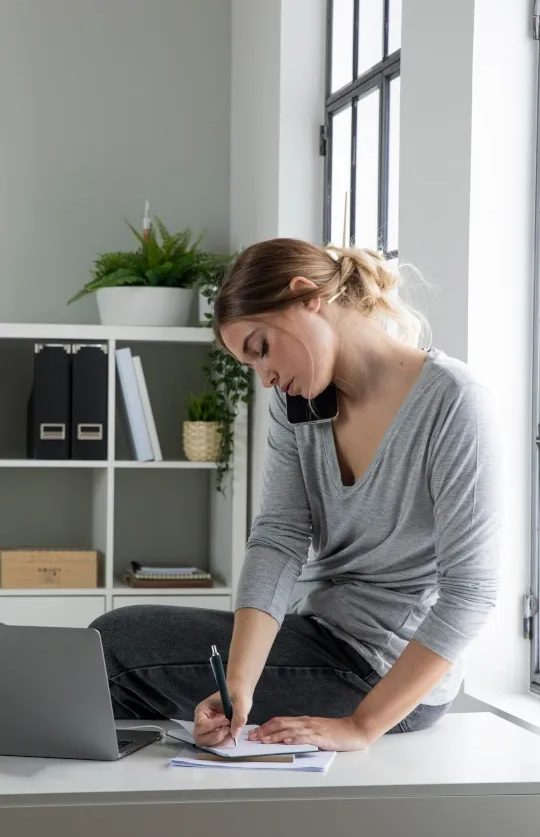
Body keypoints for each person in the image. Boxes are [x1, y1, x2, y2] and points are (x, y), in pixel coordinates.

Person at [91, 238, 502, 752]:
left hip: (385, 675)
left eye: (261, 348)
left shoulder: (453, 402)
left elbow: (470, 592)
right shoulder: (299, 405)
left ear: (308, 296)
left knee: (110, 647)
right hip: (319, 637)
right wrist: (239, 682)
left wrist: (362, 726)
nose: (264, 378)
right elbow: (279, 539)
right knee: (115, 646)